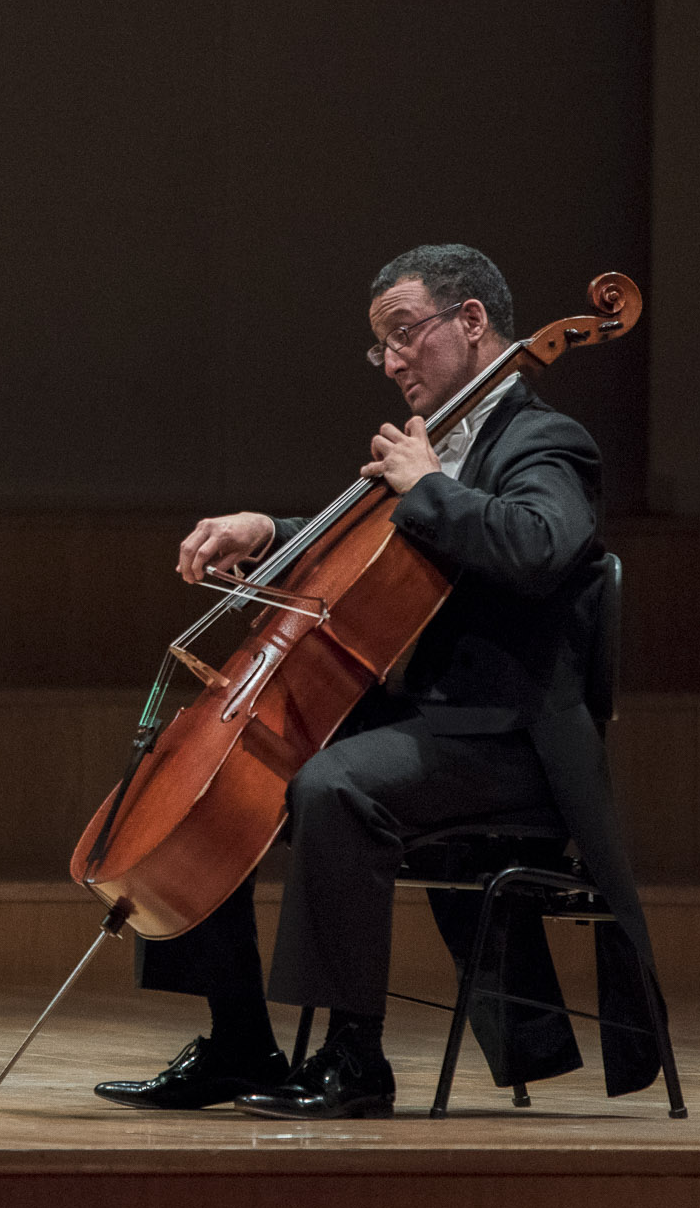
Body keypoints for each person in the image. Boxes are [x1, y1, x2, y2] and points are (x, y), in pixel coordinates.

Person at [94, 243, 661, 1120]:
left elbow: (543, 544)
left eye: (405, 335)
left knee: (336, 783)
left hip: (510, 739)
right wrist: (265, 527)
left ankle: (354, 1057)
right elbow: (364, 553)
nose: (393, 362)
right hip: (428, 725)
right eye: (381, 347)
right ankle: (239, 1039)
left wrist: (428, 484)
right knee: (221, 773)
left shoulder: (546, 441)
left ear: (471, 322)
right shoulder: (434, 447)